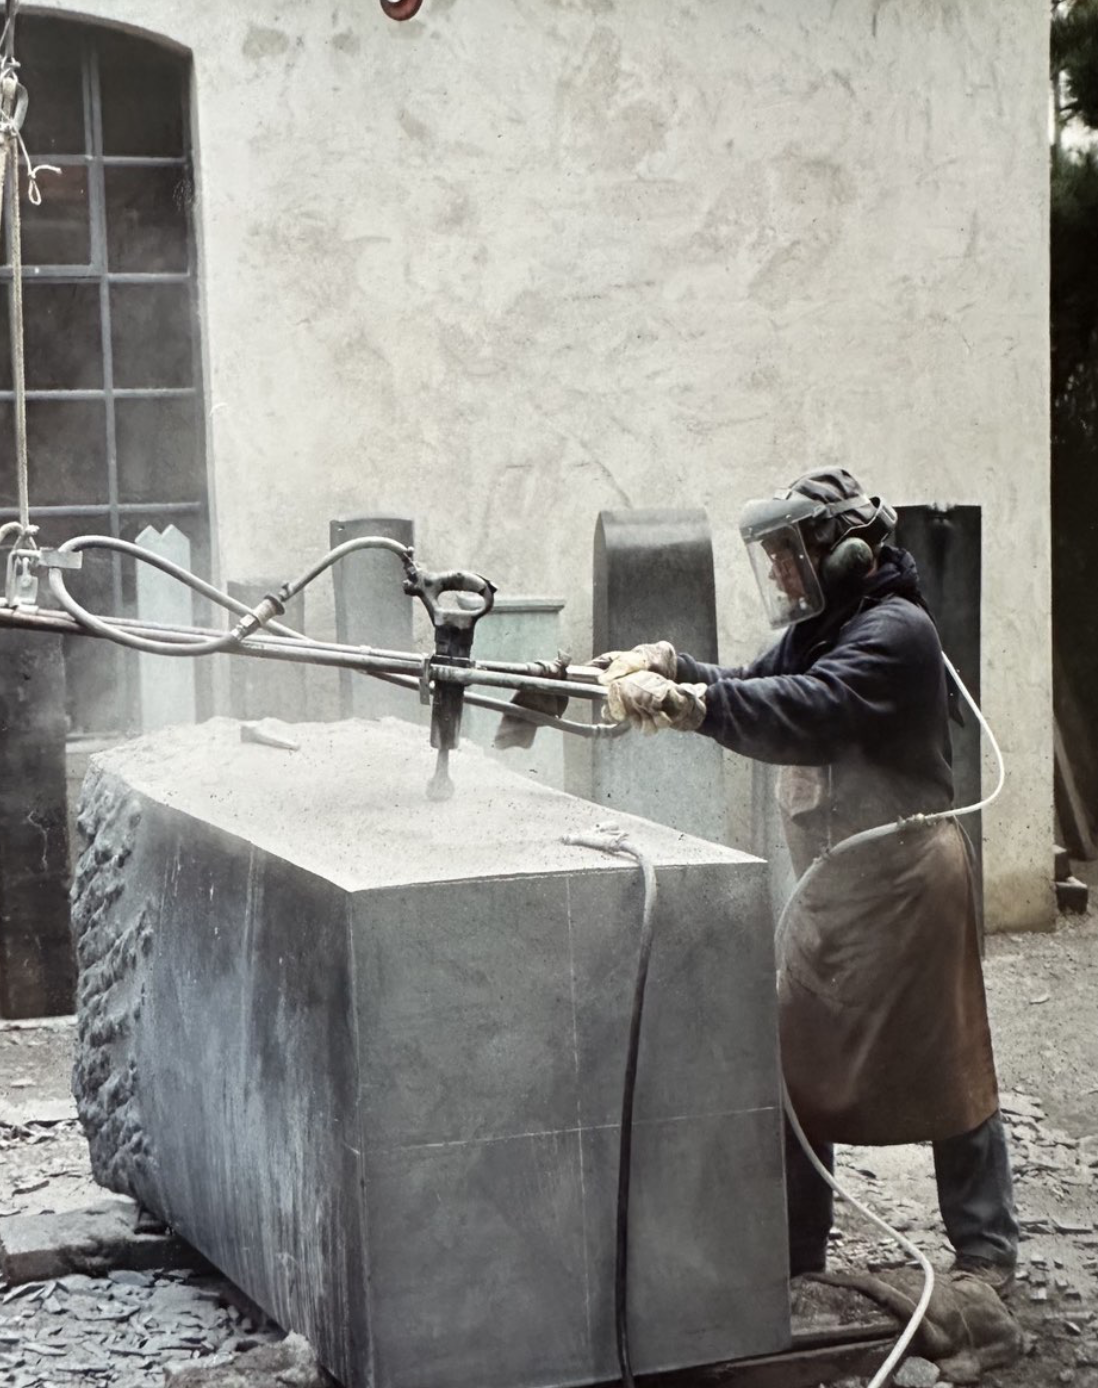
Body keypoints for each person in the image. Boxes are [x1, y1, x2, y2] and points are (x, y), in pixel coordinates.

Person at [596, 468, 1018, 1294]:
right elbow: (759, 682)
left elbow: (808, 707)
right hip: (837, 887)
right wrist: (673, 664)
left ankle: (987, 1257)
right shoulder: (826, 624)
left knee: (950, 1062)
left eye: (790, 556)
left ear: (844, 551)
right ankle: (797, 1262)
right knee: (795, 1066)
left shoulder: (895, 632)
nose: (782, 575)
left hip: (906, 882)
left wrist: (691, 706)